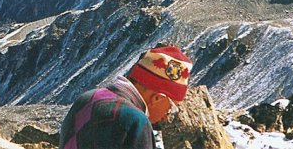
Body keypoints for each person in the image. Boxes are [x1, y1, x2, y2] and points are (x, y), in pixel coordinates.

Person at [59, 46, 193, 149]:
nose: (166, 117)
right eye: (170, 108)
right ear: (157, 98)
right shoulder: (136, 121)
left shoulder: (87, 98)